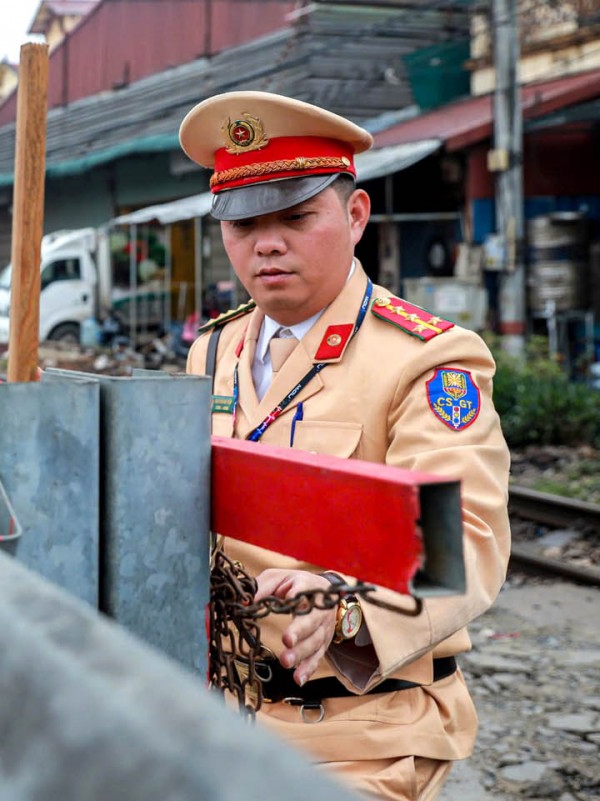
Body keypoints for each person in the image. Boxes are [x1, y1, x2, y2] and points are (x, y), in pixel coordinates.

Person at [180, 91, 510, 800]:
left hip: (365, 729)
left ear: (355, 216)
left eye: (296, 216)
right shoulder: (214, 350)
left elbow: (466, 542)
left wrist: (347, 607)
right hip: (221, 711)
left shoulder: (425, 359)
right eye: (243, 223)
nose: (267, 243)